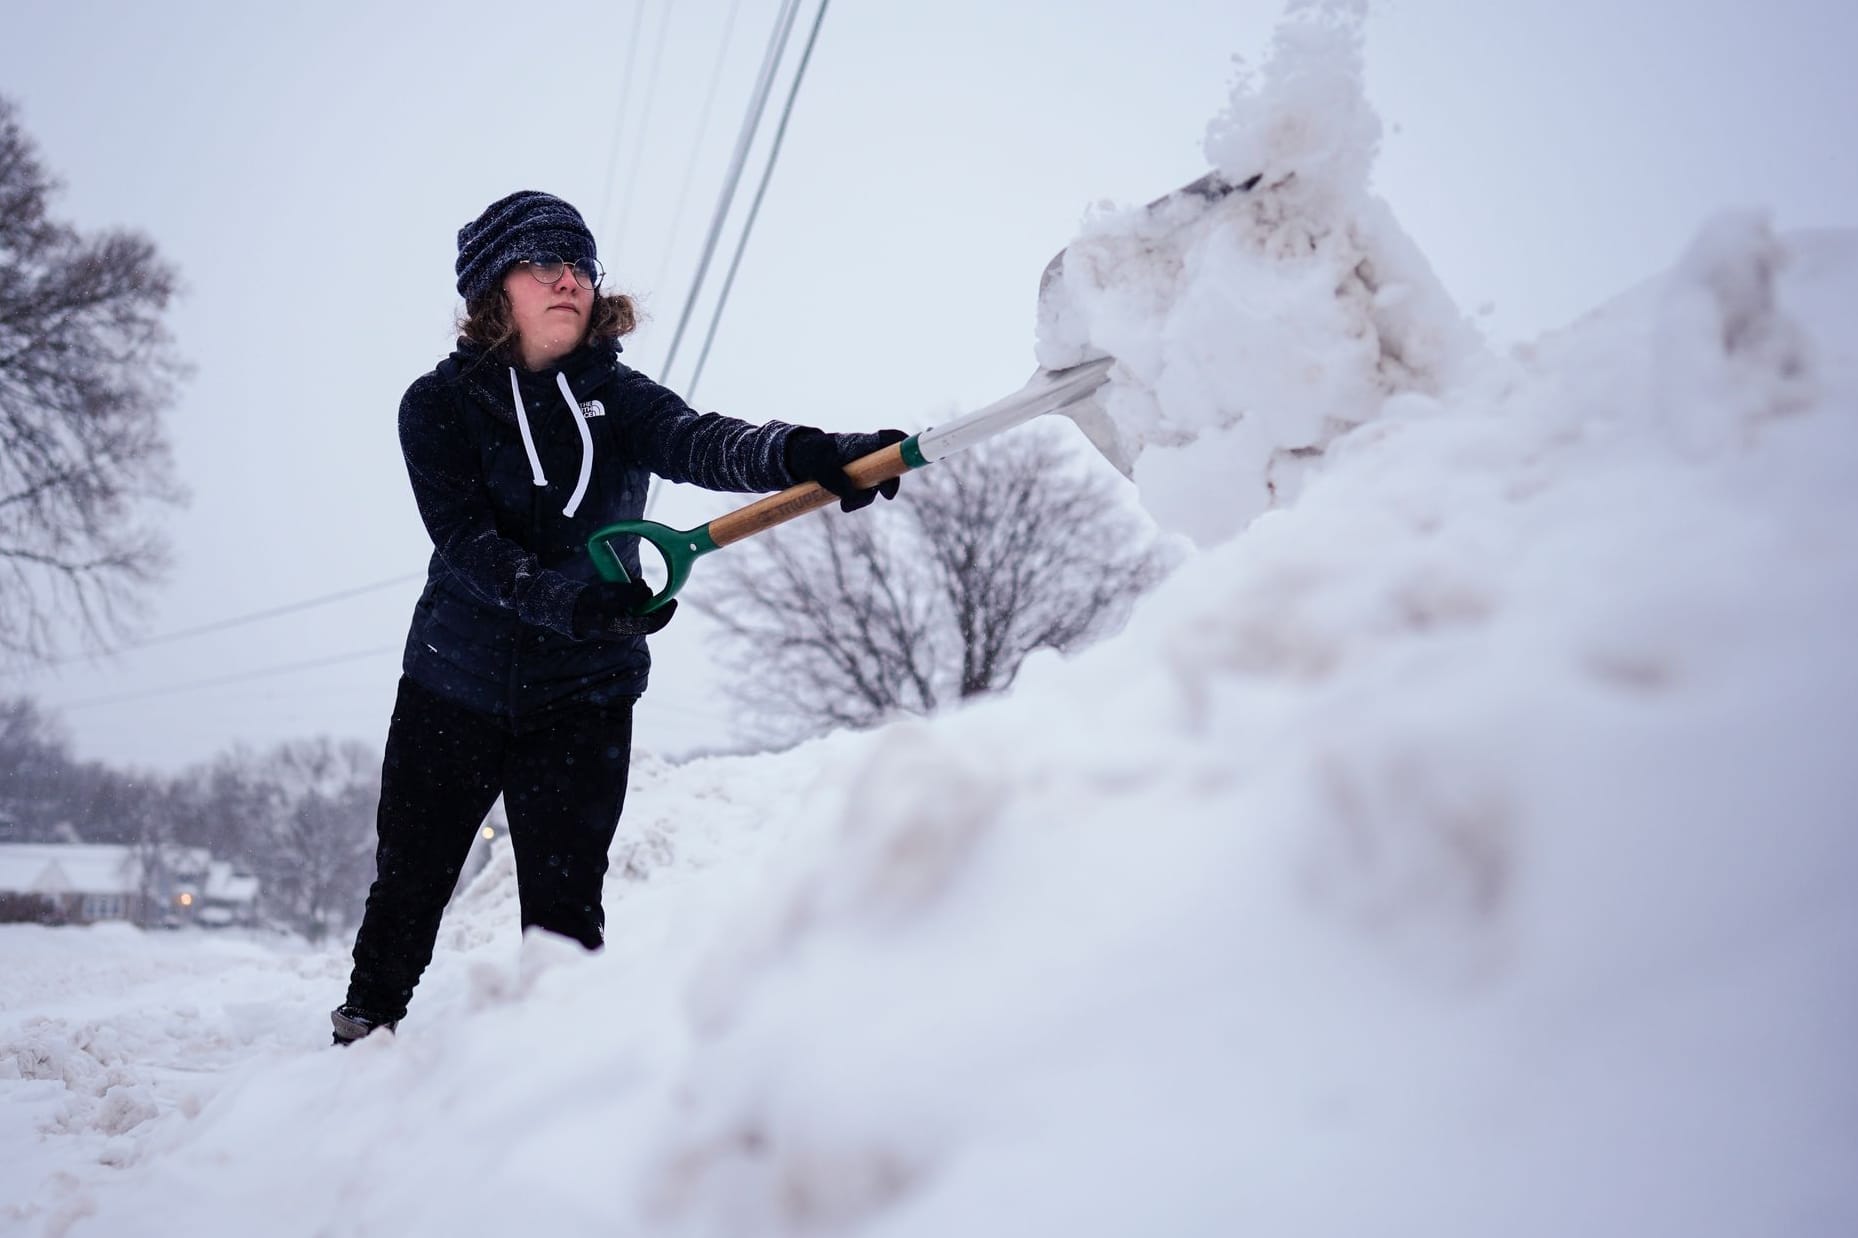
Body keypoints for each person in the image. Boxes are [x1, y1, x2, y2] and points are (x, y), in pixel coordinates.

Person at [330, 191, 902, 1045]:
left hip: (584, 692)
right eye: (545, 264)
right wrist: (570, 601)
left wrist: (814, 453)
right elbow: (466, 545)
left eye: (582, 266)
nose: (571, 280)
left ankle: (559, 1069)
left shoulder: (617, 397)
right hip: (454, 680)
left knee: (565, 909)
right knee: (411, 881)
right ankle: (359, 1042)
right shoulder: (435, 405)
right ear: (496, 287)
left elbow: (704, 441)